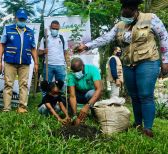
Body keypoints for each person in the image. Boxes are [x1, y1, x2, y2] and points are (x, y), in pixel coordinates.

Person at [76, 0, 168, 137]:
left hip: (148, 61)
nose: (126, 19)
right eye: (124, 16)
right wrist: (87, 46)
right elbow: (106, 37)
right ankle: (137, 124)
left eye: (129, 17)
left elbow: (164, 37)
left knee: (145, 95)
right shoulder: (120, 25)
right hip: (128, 63)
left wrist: (166, 60)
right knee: (135, 96)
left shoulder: (150, 18)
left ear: (136, 12)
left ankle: (147, 128)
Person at [0, 8, 38, 113]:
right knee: (8, 84)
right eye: (20, 19)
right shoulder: (8, 28)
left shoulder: (30, 32)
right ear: (15, 18)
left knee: (24, 85)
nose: (22, 21)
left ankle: (22, 108)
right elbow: (2, 45)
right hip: (10, 61)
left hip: (25, 62)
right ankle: (7, 108)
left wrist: (36, 63)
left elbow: (33, 48)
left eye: (24, 19)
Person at [68, 57, 103, 125]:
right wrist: (75, 116)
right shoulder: (71, 75)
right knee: (67, 96)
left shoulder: (93, 69)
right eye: (75, 71)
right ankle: (73, 114)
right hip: (79, 95)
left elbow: (99, 89)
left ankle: (94, 114)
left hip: (90, 95)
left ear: (83, 66)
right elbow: (72, 96)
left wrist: (87, 106)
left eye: (78, 71)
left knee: (91, 93)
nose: (77, 73)